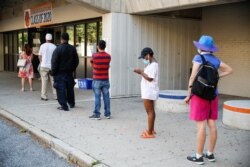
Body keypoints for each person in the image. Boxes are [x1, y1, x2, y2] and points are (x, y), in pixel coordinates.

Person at [184, 35, 233, 165]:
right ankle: (210, 154)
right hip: (213, 95)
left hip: (199, 95)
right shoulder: (216, 60)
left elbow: (192, 77)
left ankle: (199, 156)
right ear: (211, 48)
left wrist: (189, 94)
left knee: (201, 125)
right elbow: (229, 69)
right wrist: (217, 76)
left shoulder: (198, 58)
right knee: (212, 124)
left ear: (200, 47)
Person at [134, 47, 159, 138]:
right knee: (150, 111)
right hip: (148, 91)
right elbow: (147, 74)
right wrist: (140, 71)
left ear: (148, 55)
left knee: (150, 111)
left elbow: (150, 78)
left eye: (144, 57)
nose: (144, 59)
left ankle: (149, 132)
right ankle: (151, 129)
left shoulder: (153, 65)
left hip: (149, 91)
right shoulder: (151, 64)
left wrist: (141, 72)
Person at [51, 32, 79, 111]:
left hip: (59, 73)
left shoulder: (58, 49)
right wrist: (72, 68)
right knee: (70, 88)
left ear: (61, 39)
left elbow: (54, 62)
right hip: (69, 72)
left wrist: (53, 72)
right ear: (68, 39)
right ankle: (71, 103)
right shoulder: (72, 48)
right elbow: (76, 61)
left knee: (61, 89)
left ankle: (64, 105)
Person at [89, 40, 111, 120]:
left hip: (97, 79)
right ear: (105, 46)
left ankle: (97, 114)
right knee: (106, 97)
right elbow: (108, 66)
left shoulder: (94, 55)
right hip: (105, 79)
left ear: (98, 46)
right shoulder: (108, 56)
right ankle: (107, 114)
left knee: (97, 97)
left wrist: (95, 67)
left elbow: (91, 62)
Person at [38, 33, 57, 101]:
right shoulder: (54, 46)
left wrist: (41, 62)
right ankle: (55, 95)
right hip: (51, 66)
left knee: (44, 81)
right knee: (53, 81)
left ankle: (44, 96)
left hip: (43, 66)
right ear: (51, 39)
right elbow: (55, 57)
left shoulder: (42, 46)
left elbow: (39, 56)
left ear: (46, 39)